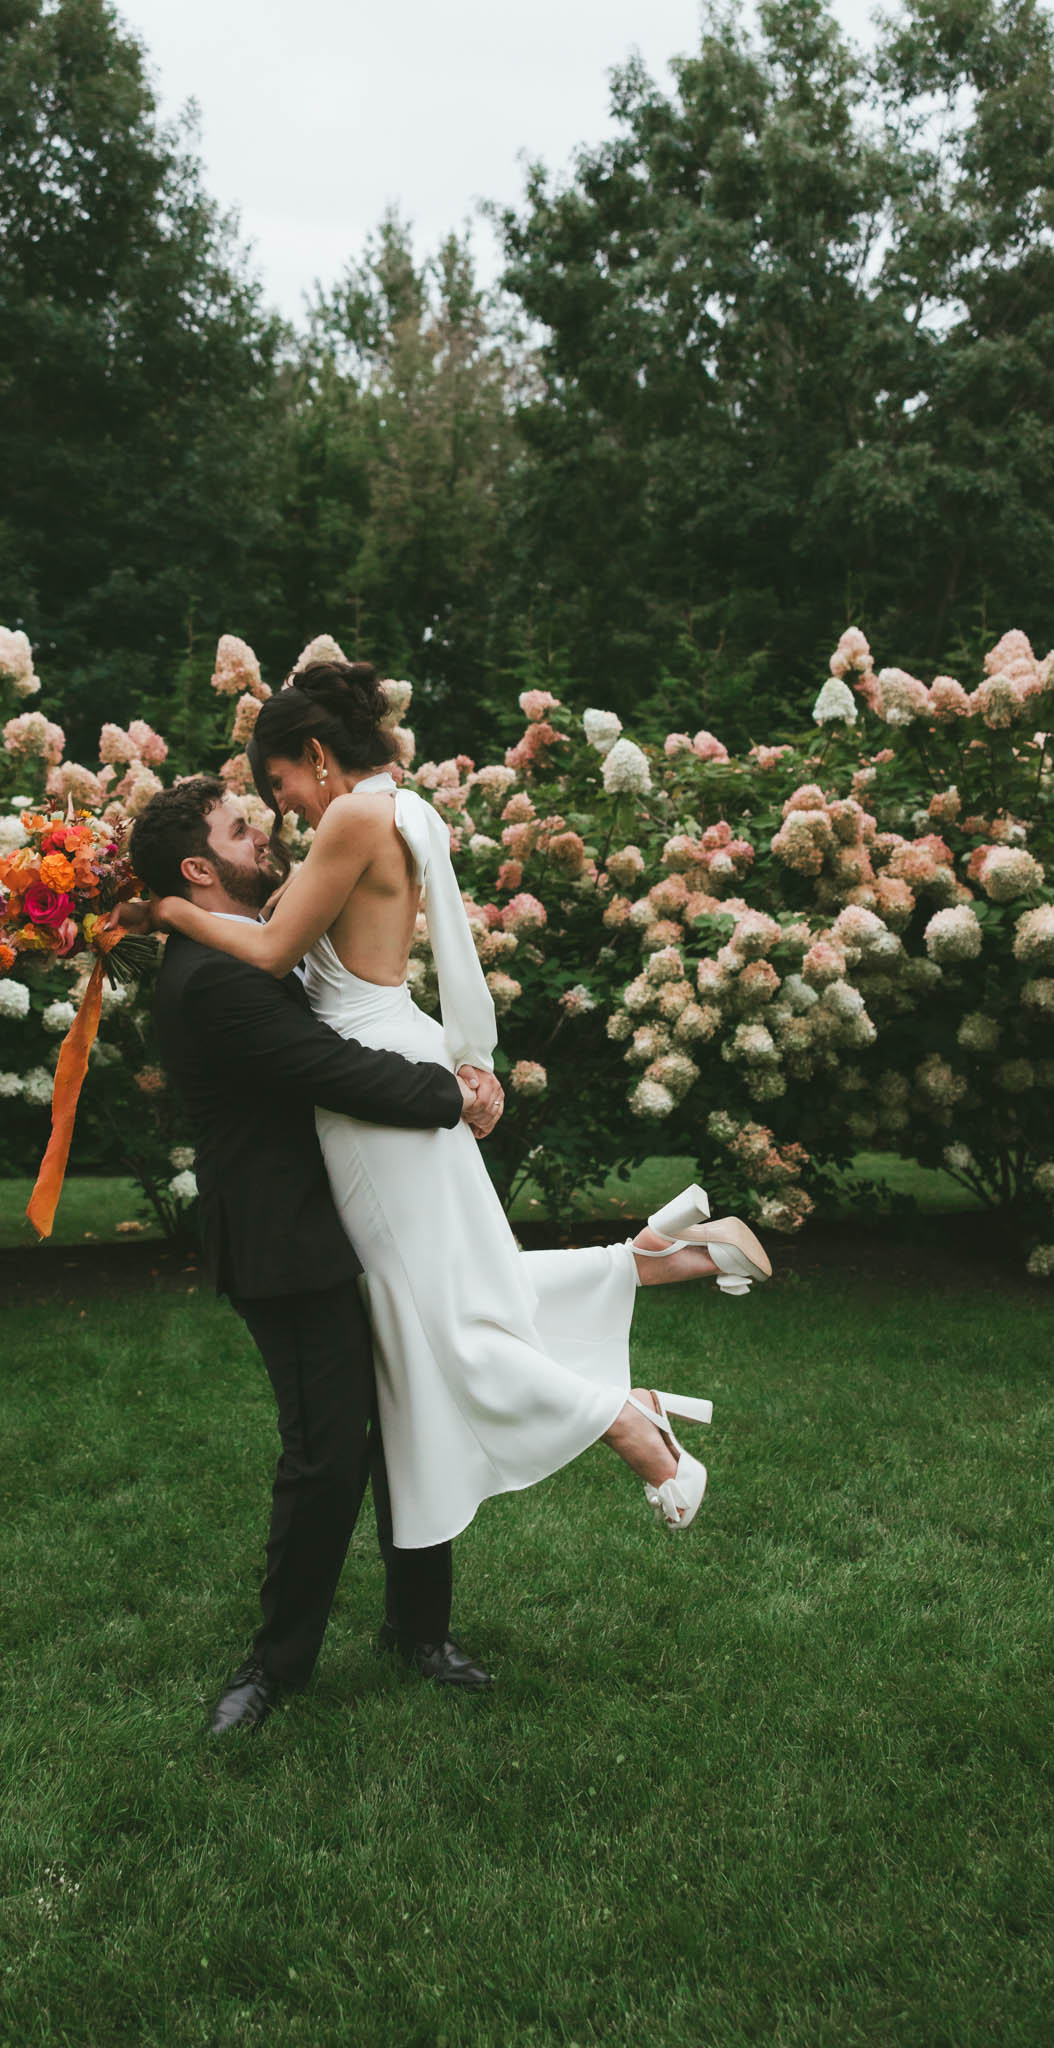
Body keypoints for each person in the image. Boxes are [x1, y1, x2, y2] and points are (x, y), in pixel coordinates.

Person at [145, 663, 773, 1556]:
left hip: (368, 1081)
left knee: (430, 1310)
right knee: (464, 1281)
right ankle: (659, 1258)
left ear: (317, 755)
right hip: (402, 1039)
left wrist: (169, 909)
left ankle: (630, 1428)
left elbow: (276, 948)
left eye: (278, 783)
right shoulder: (406, 809)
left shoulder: (356, 817)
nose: (279, 807)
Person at [126, 776, 501, 1735]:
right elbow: (329, 1070)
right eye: (240, 829)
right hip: (285, 1239)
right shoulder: (210, 980)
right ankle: (274, 1668)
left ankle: (418, 1632)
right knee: (328, 1456)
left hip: (357, 1215)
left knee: (412, 1412)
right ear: (203, 868)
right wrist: (451, 1096)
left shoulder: (258, 947)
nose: (267, 833)